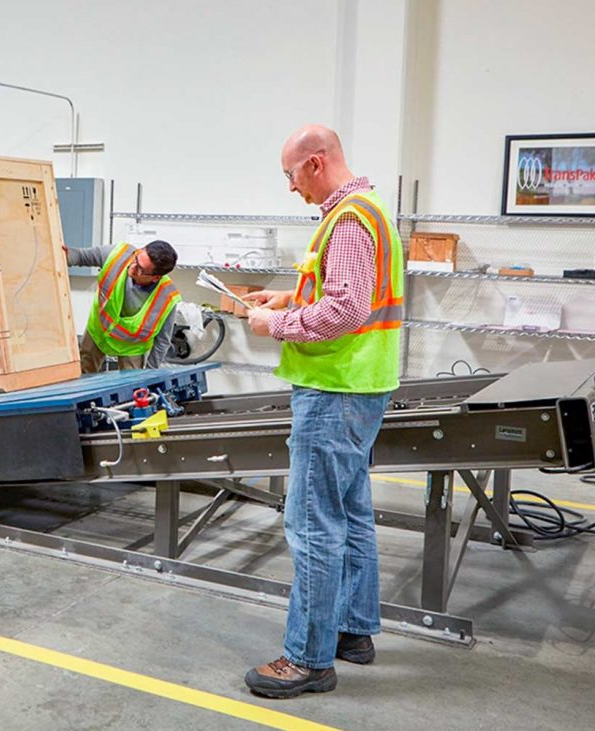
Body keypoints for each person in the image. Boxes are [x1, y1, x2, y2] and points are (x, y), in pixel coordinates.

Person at [242, 125, 404, 698]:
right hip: (361, 384)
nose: (290, 188)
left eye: (290, 175)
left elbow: (346, 311)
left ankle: (308, 659)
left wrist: (274, 325)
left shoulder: (350, 218)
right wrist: (289, 297)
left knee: (312, 524)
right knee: (350, 512)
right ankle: (352, 631)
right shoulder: (368, 209)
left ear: (315, 163)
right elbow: (343, 291)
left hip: (336, 386)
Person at [66, 240, 181, 372]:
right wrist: (65, 255)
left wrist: (150, 374)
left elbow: (162, 342)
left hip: (131, 346)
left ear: (156, 278)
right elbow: (81, 256)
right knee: (84, 374)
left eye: (141, 270)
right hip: (99, 330)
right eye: (136, 258)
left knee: (131, 386)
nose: (132, 267)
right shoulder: (118, 255)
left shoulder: (166, 297)